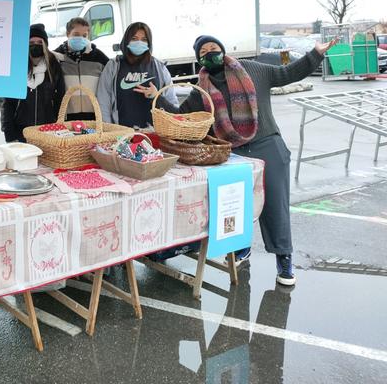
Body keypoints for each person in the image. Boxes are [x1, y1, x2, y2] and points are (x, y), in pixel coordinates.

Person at [149, 34, 337, 287]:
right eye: (203, 52)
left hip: (266, 144)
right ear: (199, 59)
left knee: (275, 206)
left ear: (222, 49)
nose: (210, 53)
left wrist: (315, 53)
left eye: (213, 47)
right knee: (236, 205)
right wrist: (157, 98)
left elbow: (287, 74)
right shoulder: (201, 89)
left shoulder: (252, 70)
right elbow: (184, 116)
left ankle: (284, 259)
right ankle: (241, 249)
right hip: (231, 153)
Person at [96, 21, 178, 128]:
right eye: (134, 39)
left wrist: (156, 96)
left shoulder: (159, 67)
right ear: (126, 41)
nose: (139, 42)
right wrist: (109, 129)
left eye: (144, 40)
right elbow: (103, 101)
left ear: (149, 43)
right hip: (122, 133)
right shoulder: (114, 65)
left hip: (155, 133)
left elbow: (172, 103)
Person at [1, 23, 66, 143]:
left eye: (39, 43)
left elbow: (61, 98)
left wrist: (59, 127)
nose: (35, 46)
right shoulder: (17, 66)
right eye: (31, 43)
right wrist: (9, 133)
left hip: (48, 130)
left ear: (45, 44)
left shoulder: (53, 66)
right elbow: (8, 104)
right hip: (21, 131)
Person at [52, 17, 109, 121]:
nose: (81, 38)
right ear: (68, 34)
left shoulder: (99, 58)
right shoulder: (56, 58)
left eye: (84, 36)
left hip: (94, 117)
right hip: (66, 118)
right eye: (76, 34)